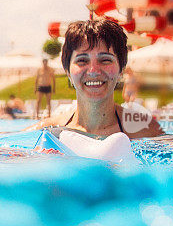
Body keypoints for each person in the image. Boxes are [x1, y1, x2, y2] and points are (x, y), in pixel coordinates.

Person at [26, 19, 164, 139]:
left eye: (105, 60)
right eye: (82, 61)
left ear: (121, 69)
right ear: (68, 71)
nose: (93, 71)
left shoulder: (146, 130)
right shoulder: (46, 132)